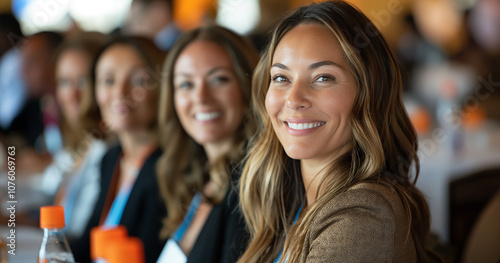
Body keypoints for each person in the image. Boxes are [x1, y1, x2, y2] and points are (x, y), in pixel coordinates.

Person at [238, 1, 442, 262]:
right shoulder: (290, 202)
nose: (293, 98)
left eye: (323, 77)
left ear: (369, 93)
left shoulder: (364, 217)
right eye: (281, 78)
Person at [156, 25, 258, 262]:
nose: (201, 97)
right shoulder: (200, 180)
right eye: (186, 84)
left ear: (248, 88)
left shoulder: (249, 189)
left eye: (218, 79)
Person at [71, 36, 167, 263]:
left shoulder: (169, 166)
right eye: (108, 80)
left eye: (138, 80)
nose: (120, 91)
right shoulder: (111, 158)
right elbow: (87, 245)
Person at [42, 32, 110, 242]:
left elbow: (82, 235)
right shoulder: (79, 141)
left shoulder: (107, 149)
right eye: (64, 82)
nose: (71, 94)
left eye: (82, 81)